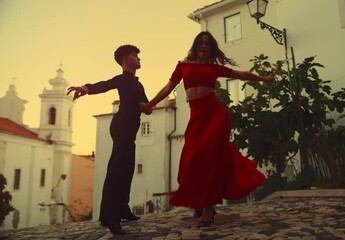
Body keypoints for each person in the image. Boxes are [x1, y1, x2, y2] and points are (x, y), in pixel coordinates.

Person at [140, 31, 274, 227]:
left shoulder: (213, 68)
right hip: (197, 117)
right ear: (195, 46)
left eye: (207, 44)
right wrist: (150, 104)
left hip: (215, 115)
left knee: (209, 159)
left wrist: (264, 79)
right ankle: (199, 200)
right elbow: (168, 89)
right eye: (200, 43)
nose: (204, 46)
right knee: (191, 159)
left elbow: (242, 75)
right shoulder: (183, 66)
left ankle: (208, 209)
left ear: (211, 48)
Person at [67, 44, 149, 235]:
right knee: (117, 169)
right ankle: (109, 216)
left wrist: (147, 106)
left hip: (131, 128)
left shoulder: (139, 84)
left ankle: (122, 208)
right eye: (135, 55)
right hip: (121, 125)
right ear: (124, 59)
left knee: (128, 167)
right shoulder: (121, 79)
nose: (138, 59)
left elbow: (146, 106)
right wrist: (86, 88)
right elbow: (104, 85)